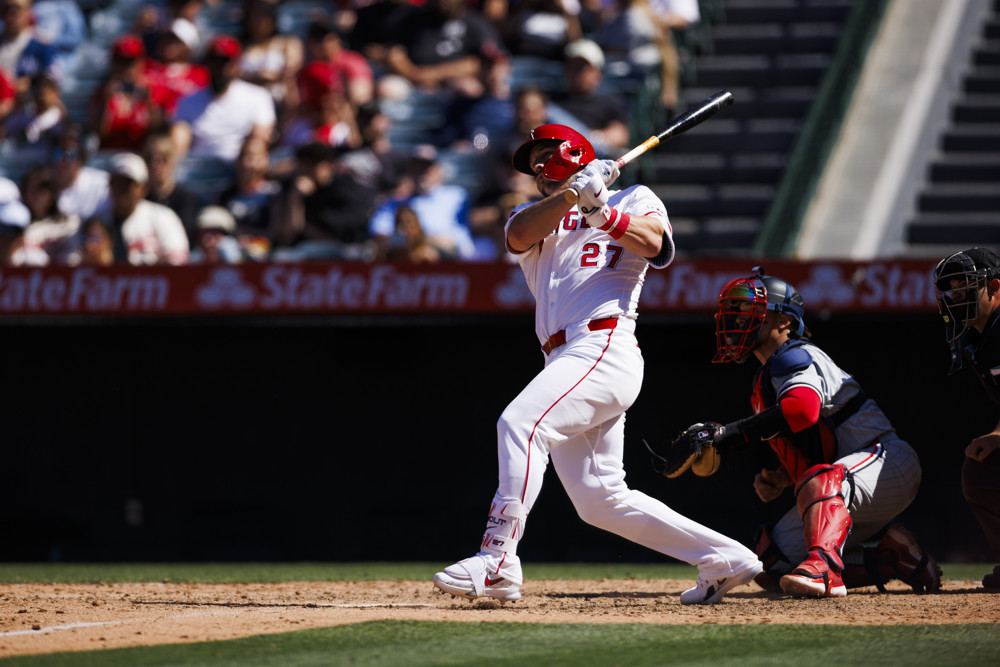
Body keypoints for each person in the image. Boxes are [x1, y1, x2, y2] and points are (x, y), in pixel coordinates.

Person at [432, 123, 763, 605]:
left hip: (604, 345)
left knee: (519, 425)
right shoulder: (537, 213)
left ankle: (498, 559)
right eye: (533, 164)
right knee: (599, 500)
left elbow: (657, 246)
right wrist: (573, 196)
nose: (539, 169)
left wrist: (602, 210)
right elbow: (517, 235)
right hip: (563, 358)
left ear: (573, 151)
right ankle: (725, 557)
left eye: (545, 156)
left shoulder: (634, 196)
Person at [658, 267, 941, 598]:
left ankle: (824, 572)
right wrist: (781, 477)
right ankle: (896, 559)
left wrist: (728, 434)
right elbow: (815, 445)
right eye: (737, 313)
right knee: (771, 564)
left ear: (785, 322)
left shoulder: (794, 355)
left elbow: (802, 410)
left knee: (820, 480)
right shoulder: (765, 379)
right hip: (848, 479)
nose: (738, 321)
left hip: (888, 462)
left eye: (752, 312)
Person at [932, 247, 1000, 590]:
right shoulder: (978, 338)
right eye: (952, 289)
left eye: (966, 287)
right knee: (981, 470)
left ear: (995, 288)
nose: (956, 297)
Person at [170, 34, 276, 163]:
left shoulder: (258, 96)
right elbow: (179, 142)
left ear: (236, 65)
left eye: (224, 62)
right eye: (214, 61)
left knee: (255, 150)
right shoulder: (188, 100)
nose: (219, 68)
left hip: (239, 167)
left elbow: (260, 140)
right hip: (198, 168)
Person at [368, 144, 477, 260]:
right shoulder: (395, 202)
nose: (422, 174)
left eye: (426, 168)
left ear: (438, 170)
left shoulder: (456, 196)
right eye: (417, 168)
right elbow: (379, 232)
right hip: (406, 259)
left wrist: (429, 241)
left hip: (448, 260)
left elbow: (462, 239)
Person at [106, 151, 189, 265]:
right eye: (117, 184)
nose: (121, 190)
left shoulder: (163, 216)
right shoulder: (99, 219)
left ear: (143, 188)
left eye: (128, 185)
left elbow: (178, 261)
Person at [550, 39, 630, 155]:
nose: (577, 73)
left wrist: (587, 137)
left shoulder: (609, 103)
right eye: (572, 66)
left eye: (583, 68)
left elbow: (619, 137)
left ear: (598, 73)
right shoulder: (552, 101)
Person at [88, 35, 166, 151]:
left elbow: (158, 131)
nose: (126, 68)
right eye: (120, 62)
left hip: (141, 155)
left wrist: (149, 102)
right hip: (109, 153)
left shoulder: (152, 89)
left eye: (130, 63)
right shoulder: (104, 91)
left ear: (141, 62)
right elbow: (98, 133)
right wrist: (105, 101)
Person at [238, 0, 305, 127]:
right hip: (246, 103)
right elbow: (232, 75)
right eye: (254, 15)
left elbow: (291, 70)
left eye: (264, 15)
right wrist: (262, 77)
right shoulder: (241, 46)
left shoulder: (288, 43)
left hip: (280, 102)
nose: (259, 20)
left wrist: (251, 78)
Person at [143, 130, 202, 244]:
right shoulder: (141, 199)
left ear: (173, 161)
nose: (156, 165)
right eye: (150, 159)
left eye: (163, 159)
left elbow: (186, 237)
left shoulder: (186, 200)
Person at [16, 163, 79, 265]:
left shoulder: (69, 224)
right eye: (32, 190)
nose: (36, 196)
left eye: (42, 190)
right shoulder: (16, 226)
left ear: (52, 194)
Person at [51, 123, 111, 224]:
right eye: (58, 152)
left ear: (81, 158)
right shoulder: (43, 185)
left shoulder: (103, 184)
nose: (62, 161)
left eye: (70, 154)